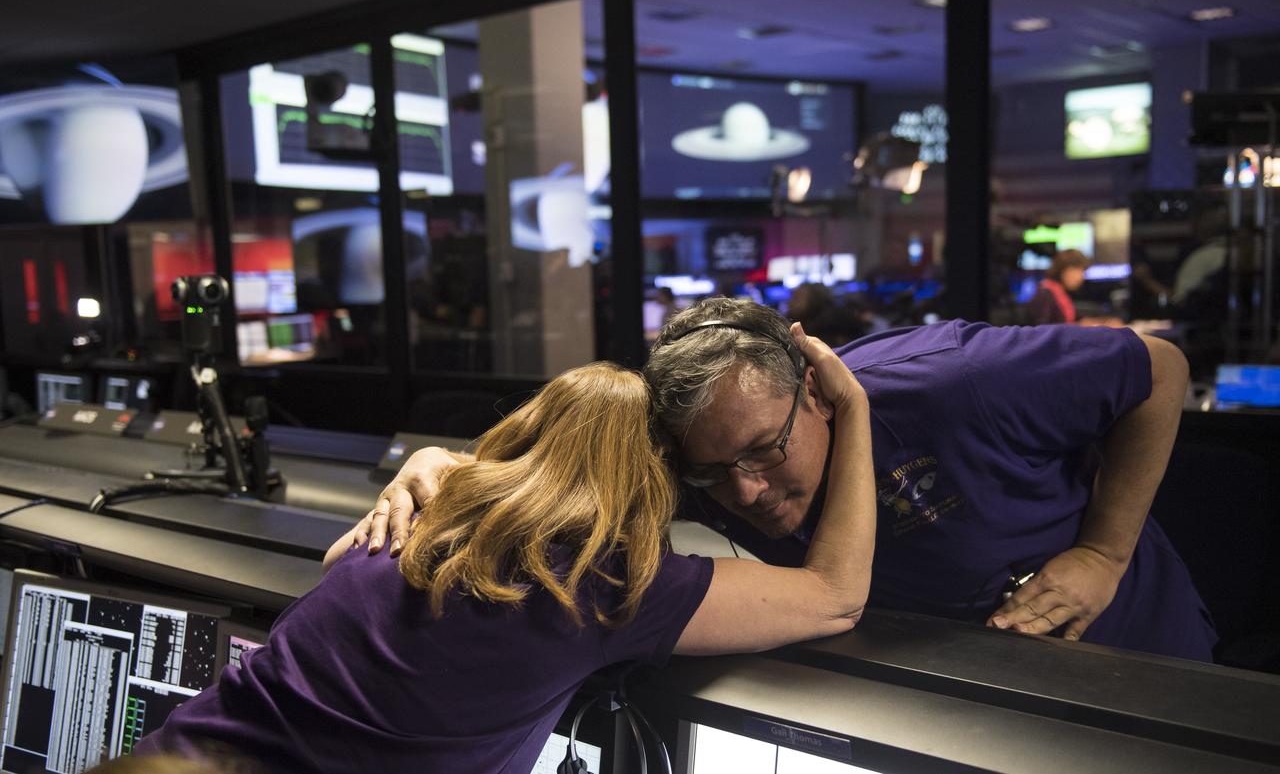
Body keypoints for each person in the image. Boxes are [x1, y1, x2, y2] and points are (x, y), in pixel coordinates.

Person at [138, 336, 877, 773]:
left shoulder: (412, 526)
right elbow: (836, 593)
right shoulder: (605, 586)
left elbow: (338, 563)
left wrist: (441, 467)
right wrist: (855, 410)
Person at [368, 298, 1216, 662]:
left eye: (767, 451)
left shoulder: (955, 382)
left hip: (1128, 647)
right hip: (942, 672)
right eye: (711, 471)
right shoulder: (693, 448)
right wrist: (440, 466)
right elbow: (551, 469)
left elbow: (1160, 368)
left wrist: (1104, 552)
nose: (743, 493)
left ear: (814, 387)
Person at [1027, 249, 1088, 325]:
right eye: (1076, 270)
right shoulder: (1045, 293)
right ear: (1062, 270)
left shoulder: (1059, 291)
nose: (1080, 277)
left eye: (1083, 271)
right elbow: (1043, 331)